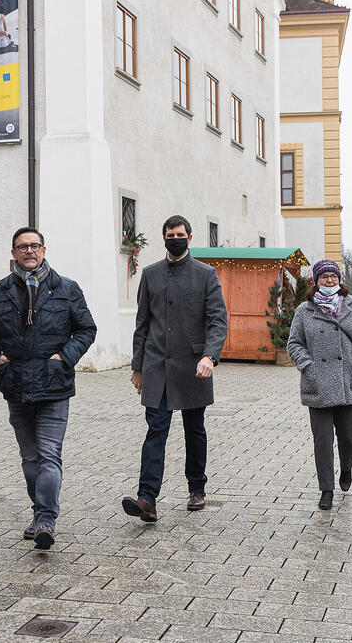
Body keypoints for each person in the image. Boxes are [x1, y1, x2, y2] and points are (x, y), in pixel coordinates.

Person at [0, 227, 97, 550]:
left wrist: (64, 358)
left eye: (34, 246)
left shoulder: (66, 289)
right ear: (14, 254)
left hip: (53, 385)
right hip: (16, 384)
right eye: (22, 247)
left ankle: (46, 518)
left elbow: (86, 329)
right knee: (29, 457)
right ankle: (38, 512)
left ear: (44, 250)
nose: (29, 251)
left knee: (48, 455)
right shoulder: (0, 291)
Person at [123, 215, 228, 523]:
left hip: (194, 367)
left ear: (190, 238)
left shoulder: (205, 275)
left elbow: (218, 321)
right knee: (155, 431)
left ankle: (197, 489)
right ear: (164, 237)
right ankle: (147, 498)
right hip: (157, 368)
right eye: (170, 234)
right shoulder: (151, 274)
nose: (175, 238)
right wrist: (137, 366)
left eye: (180, 234)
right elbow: (142, 324)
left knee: (194, 431)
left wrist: (210, 355)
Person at [286, 259, 352, 510]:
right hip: (317, 383)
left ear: (339, 279)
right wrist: (307, 366)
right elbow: (294, 343)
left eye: (333, 276)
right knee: (322, 440)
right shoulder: (304, 311)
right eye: (324, 277)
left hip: (349, 380)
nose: (329, 280)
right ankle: (326, 489)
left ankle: (346, 468)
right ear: (315, 281)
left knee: (348, 436)